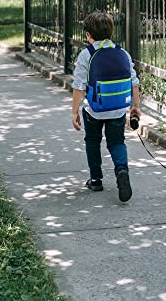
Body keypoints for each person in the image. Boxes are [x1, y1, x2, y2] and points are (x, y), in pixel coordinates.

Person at [71, 11, 141, 202]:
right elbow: (133, 82)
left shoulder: (86, 55)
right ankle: (122, 170)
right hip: (118, 108)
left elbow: (79, 86)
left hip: (94, 109)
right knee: (117, 142)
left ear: (88, 35)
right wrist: (135, 106)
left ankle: (95, 179)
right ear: (111, 31)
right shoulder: (122, 53)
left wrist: (74, 111)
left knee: (93, 141)